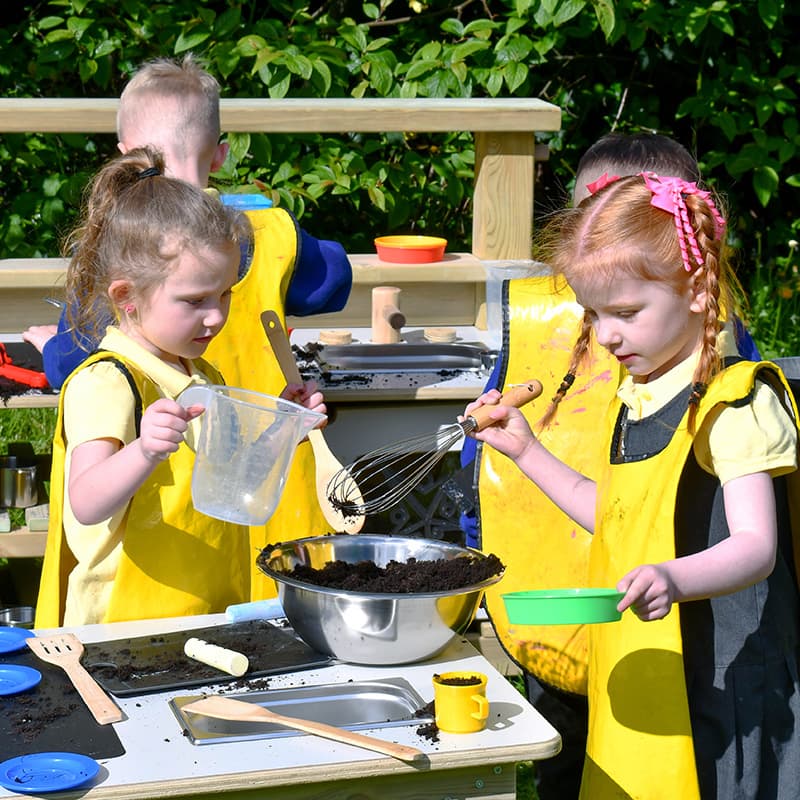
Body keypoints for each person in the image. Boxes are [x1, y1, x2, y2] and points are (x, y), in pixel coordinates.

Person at [465, 172, 800, 799]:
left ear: (698, 292)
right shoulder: (640, 394)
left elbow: (757, 546)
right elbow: (621, 518)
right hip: (656, 670)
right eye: (592, 314)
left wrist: (673, 578)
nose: (606, 335)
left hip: (726, 687)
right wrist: (528, 452)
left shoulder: (732, 402)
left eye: (625, 313)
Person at [24, 54, 352, 601]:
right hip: (126, 632)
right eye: (195, 300)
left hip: (198, 613)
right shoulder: (107, 382)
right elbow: (86, 500)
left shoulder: (201, 369)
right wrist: (144, 451)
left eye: (224, 294)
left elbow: (229, 477)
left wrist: (287, 425)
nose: (218, 316)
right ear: (125, 297)